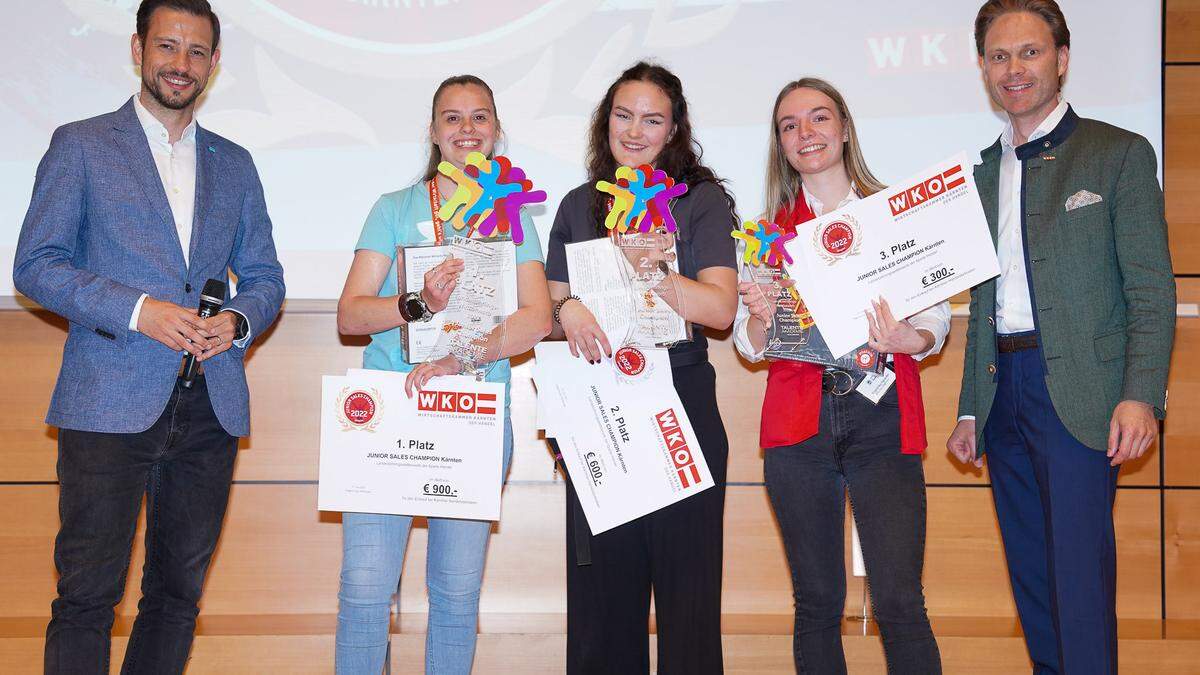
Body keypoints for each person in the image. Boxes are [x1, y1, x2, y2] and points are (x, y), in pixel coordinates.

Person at [12, 1, 286, 672]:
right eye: (167, 47)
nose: (180, 64)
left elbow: (266, 276)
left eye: (196, 52)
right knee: (86, 597)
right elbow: (36, 264)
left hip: (208, 409)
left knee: (176, 596)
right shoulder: (81, 144)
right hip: (106, 401)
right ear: (137, 49)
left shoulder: (236, 163)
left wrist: (238, 320)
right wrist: (141, 311)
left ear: (214, 64)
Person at [946, 1, 1176, 672]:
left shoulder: (1119, 154)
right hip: (1004, 394)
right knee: (1035, 586)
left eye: (1030, 52)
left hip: (1082, 395)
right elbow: (982, 302)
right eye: (998, 56)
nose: (1013, 68)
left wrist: (1140, 395)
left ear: (1062, 60)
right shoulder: (981, 173)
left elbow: (1151, 289)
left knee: (1078, 583)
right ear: (983, 69)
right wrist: (969, 407)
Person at [333, 74, 552, 674]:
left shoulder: (514, 217)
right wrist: (417, 305)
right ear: (433, 132)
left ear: (496, 130)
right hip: (390, 412)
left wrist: (463, 357)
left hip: (474, 412)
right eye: (452, 118)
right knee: (364, 594)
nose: (466, 130)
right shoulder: (394, 208)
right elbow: (351, 315)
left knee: (455, 598)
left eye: (479, 117)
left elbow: (536, 318)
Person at [732, 78, 946, 674]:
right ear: (780, 144)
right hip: (799, 425)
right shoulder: (764, 232)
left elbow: (933, 316)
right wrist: (758, 317)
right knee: (818, 602)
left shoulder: (894, 214)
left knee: (900, 600)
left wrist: (913, 338)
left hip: (881, 417)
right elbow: (754, 350)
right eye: (790, 125)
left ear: (845, 128)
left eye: (819, 118)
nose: (807, 134)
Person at [544, 61, 738, 674]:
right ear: (606, 124)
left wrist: (656, 269)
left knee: (689, 606)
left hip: (681, 403)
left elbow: (722, 309)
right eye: (623, 116)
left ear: (674, 127)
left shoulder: (701, 201)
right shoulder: (579, 206)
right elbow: (545, 308)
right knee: (603, 610)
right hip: (599, 407)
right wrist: (568, 306)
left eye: (652, 119)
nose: (635, 131)